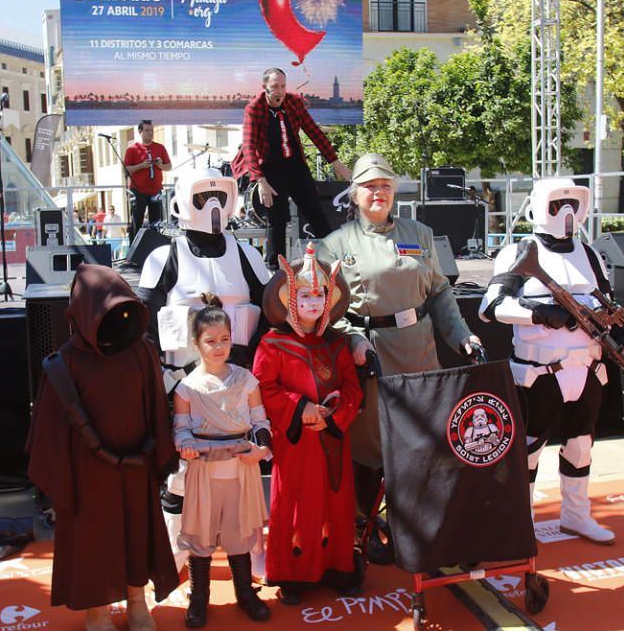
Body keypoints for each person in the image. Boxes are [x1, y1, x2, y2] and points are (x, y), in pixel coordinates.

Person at [314, 153, 482, 559]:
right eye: (370, 187)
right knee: (371, 446)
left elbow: (440, 291)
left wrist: (463, 336)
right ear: (354, 194)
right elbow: (322, 308)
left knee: (424, 444)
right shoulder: (335, 245)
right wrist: (353, 341)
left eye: (385, 186)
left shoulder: (419, 233)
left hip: (420, 355)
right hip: (370, 358)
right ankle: (365, 526)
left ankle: (419, 523)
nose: (378, 193)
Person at [26, 264, 178, 631]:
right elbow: (48, 428)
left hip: (135, 464)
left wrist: (157, 456)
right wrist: (62, 482)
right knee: (93, 538)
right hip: (88, 473)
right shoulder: (67, 361)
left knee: (136, 531)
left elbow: (155, 405)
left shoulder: (141, 350)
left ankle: (137, 601)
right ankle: (96, 610)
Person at [478, 177, 617, 545]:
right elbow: (490, 307)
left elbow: (608, 309)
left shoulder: (590, 256)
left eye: (573, 203)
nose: (568, 213)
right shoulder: (518, 253)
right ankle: (521, 522)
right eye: (559, 204)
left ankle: (576, 515)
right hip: (539, 373)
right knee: (529, 449)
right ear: (541, 207)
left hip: (586, 369)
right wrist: (537, 313)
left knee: (581, 443)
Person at [137, 167, 272, 513]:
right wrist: (162, 383)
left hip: (237, 382)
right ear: (184, 200)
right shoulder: (164, 257)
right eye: (203, 196)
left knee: (242, 469)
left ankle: (245, 552)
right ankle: (177, 558)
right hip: (183, 385)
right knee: (182, 476)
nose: (212, 204)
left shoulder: (247, 255)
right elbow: (144, 325)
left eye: (220, 195)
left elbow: (273, 312)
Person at [253, 242, 362, 604]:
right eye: (305, 296)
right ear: (288, 300)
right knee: (296, 504)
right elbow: (264, 388)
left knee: (335, 502)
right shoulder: (272, 344)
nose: (313, 303)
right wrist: (301, 409)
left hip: (332, 439)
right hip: (295, 442)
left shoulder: (338, 343)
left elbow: (352, 389)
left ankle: (337, 567)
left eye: (320, 297)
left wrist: (334, 414)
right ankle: (293, 574)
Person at [174, 295, 272, 627]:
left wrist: (260, 450)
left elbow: (260, 422)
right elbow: (181, 430)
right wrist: (187, 446)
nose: (219, 347)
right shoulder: (186, 388)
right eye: (211, 341)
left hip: (241, 468)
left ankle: (245, 593)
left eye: (225, 340)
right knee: (200, 537)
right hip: (203, 471)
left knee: (239, 532)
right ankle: (199, 599)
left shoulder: (246, 381)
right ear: (196, 343)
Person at [231, 67, 352, 268]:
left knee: (315, 213)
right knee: (276, 220)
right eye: (275, 87)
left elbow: (314, 132)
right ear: (264, 87)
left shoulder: (294, 102)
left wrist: (335, 162)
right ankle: (274, 270)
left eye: (283, 86)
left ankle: (336, 262)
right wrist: (260, 180)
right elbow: (249, 146)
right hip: (270, 169)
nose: (279, 91)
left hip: (296, 166)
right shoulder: (254, 108)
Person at [124, 120, 171, 238]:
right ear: (140, 132)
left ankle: (155, 249)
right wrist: (141, 165)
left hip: (155, 190)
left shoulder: (160, 147)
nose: (150, 133)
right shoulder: (132, 149)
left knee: (156, 223)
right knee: (137, 222)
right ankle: (134, 251)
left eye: (151, 131)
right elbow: (126, 170)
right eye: (147, 130)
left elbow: (169, 166)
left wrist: (160, 165)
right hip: (138, 190)